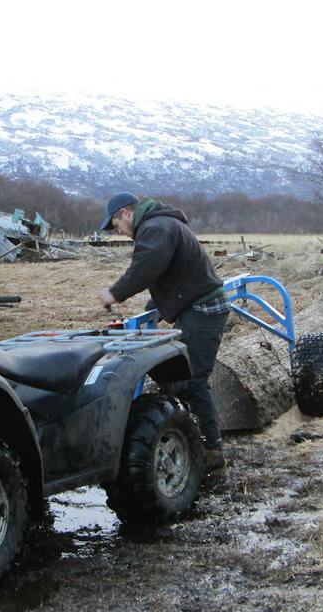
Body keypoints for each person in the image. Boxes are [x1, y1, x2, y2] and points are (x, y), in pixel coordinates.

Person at [96, 191, 229, 477]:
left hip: (204, 309)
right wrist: (154, 306)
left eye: (115, 224)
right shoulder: (160, 225)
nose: (117, 231)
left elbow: (147, 267)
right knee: (177, 378)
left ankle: (212, 452)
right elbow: (168, 270)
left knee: (193, 378)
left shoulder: (155, 228)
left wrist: (114, 293)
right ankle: (188, 430)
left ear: (126, 214)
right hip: (194, 305)